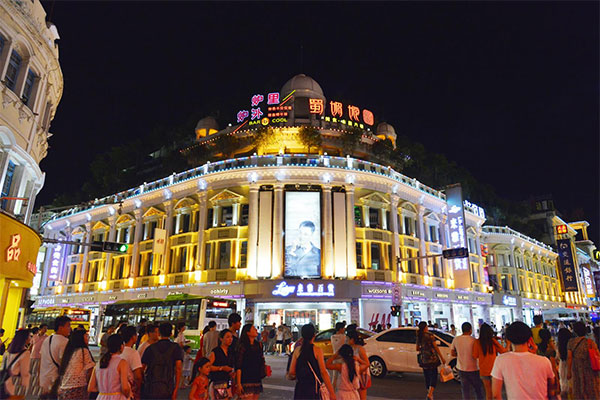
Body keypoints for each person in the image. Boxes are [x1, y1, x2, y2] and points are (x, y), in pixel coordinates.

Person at [491, 321, 555, 400]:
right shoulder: (544, 361)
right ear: (530, 338)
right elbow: (552, 386)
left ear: (508, 339)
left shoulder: (500, 360)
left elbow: (495, 395)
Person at [288, 324, 336, 400]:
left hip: (300, 388)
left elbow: (291, 372)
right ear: (314, 335)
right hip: (313, 389)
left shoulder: (297, 350)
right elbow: (323, 372)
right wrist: (332, 393)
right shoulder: (317, 350)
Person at [141, 322, 184, 400]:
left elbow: (142, 368)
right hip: (168, 388)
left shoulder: (150, 348)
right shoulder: (176, 348)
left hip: (151, 388)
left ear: (159, 333)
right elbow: (178, 368)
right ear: (171, 333)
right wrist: (176, 389)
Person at [88, 334, 131, 400]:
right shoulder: (122, 363)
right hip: (117, 397)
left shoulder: (99, 363)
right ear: (121, 346)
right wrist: (128, 395)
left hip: (101, 397)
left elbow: (91, 388)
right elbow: (125, 388)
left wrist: (104, 390)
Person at [56, 329, 95, 400]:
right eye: (86, 336)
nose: (88, 339)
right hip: (78, 388)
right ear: (80, 338)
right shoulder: (83, 351)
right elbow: (91, 370)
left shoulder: (69, 351)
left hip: (64, 388)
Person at [472, 323, 507, 400]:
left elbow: (475, 355)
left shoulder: (477, 342)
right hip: (494, 370)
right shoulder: (493, 341)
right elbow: (503, 351)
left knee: (488, 393)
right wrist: (508, 343)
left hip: (484, 370)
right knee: (497, 393)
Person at [567, 321, 600, 399]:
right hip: (590, 369)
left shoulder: (571, 342)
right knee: (591, 389)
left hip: (577, 369)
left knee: (579, 389)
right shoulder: (590, 342)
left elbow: (569, 358)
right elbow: (597, 355)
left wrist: (568, 371)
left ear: (575, 331)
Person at [40, 316, 72, 397]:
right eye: (68, 326)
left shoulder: (47, 339)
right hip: (55, 381)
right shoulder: (65, 342)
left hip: (44, 380)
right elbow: (67, 363)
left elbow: (41, 359)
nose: (70, 328)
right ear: (60, 328)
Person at [451, 322, 484, 400]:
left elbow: (452, 353)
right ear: (470, 330)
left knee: (465, 390)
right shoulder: (474, 340)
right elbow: (478, 354)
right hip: (474, 368)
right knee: (478, 389)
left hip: (461, 368)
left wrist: (459, 354)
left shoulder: (456, 339)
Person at [236, 323, 267, 399]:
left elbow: (261, 360)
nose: (256, 330)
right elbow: (239, 365)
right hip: (246, 379)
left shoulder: (259, 345)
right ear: (248, 332)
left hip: (256, 378)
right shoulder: (242, 346)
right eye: (253, 329)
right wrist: (239, 383)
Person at [416, 321, 445, 400]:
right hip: (432, 359)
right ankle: (430, 393)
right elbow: (436, 347)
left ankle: (429, 393)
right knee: (434, 376)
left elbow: (417, 348)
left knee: (427, 376)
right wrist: (442, 358)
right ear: (426, 327)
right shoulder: (430, 335)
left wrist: (424, 348)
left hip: (424, 359)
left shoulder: (419, 336)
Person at [2, 329, 31, 398]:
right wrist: (25, 388)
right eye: (29, 336)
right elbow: (25, 373)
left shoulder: (7, 352)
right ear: (25, 338)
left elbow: (3, 367)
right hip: (16, 387)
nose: (30, 338)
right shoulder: (25, 353)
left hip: (4, 384)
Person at [208, 329, 236, 400]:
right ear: (221, 339)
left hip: (228, 381)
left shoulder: (231, 351)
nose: (230, 339)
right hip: (218, 381)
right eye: (227, 337)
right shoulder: (216, 351)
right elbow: (208, 366)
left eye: (231, 337)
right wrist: (221, 368)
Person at [120, 326, 143, 400]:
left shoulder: (118, 351)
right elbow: (138, 376)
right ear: (133, 337)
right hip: (129, 389)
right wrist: (138, 389)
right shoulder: (133, 353)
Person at [345, 329, 369, 400]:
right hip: (353, 375)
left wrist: (358, 361)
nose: (346, 341)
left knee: (361, 397)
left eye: (347, 339)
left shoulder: (360, 349)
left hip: (361, 376)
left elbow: (367, 363)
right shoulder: (349, 348)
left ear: (352, 339)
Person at [537, 328, 560, 397]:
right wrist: (557, 381)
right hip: (550, 375)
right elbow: (553, 366)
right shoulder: (550, 349)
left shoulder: (538, 348)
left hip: (541, 374)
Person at [29, 323, 48, 397]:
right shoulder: (34, 337)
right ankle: (31, 385)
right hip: (32, 356)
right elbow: (31, 346)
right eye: (44, 328)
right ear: (40, 329)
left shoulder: (46, 337)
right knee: (31, 371)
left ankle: (36, 386)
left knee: (38, 372)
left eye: (46, 328)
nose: (46, 330)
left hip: (41, 357)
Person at [330, 322, 347, 389]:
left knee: (334, 377)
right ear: (340, 329)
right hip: (342, 358)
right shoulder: (344, 337)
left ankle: (332, 392)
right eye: (343, 328)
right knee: (343, 376)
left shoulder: (332, 337)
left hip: (335, 358)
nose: (344, 329)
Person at [557, 327, 572, 399]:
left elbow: (558, 356)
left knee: (564, 385)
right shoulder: (571, 344)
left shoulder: (559, 346)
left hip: (562, 365)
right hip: (571, 365)